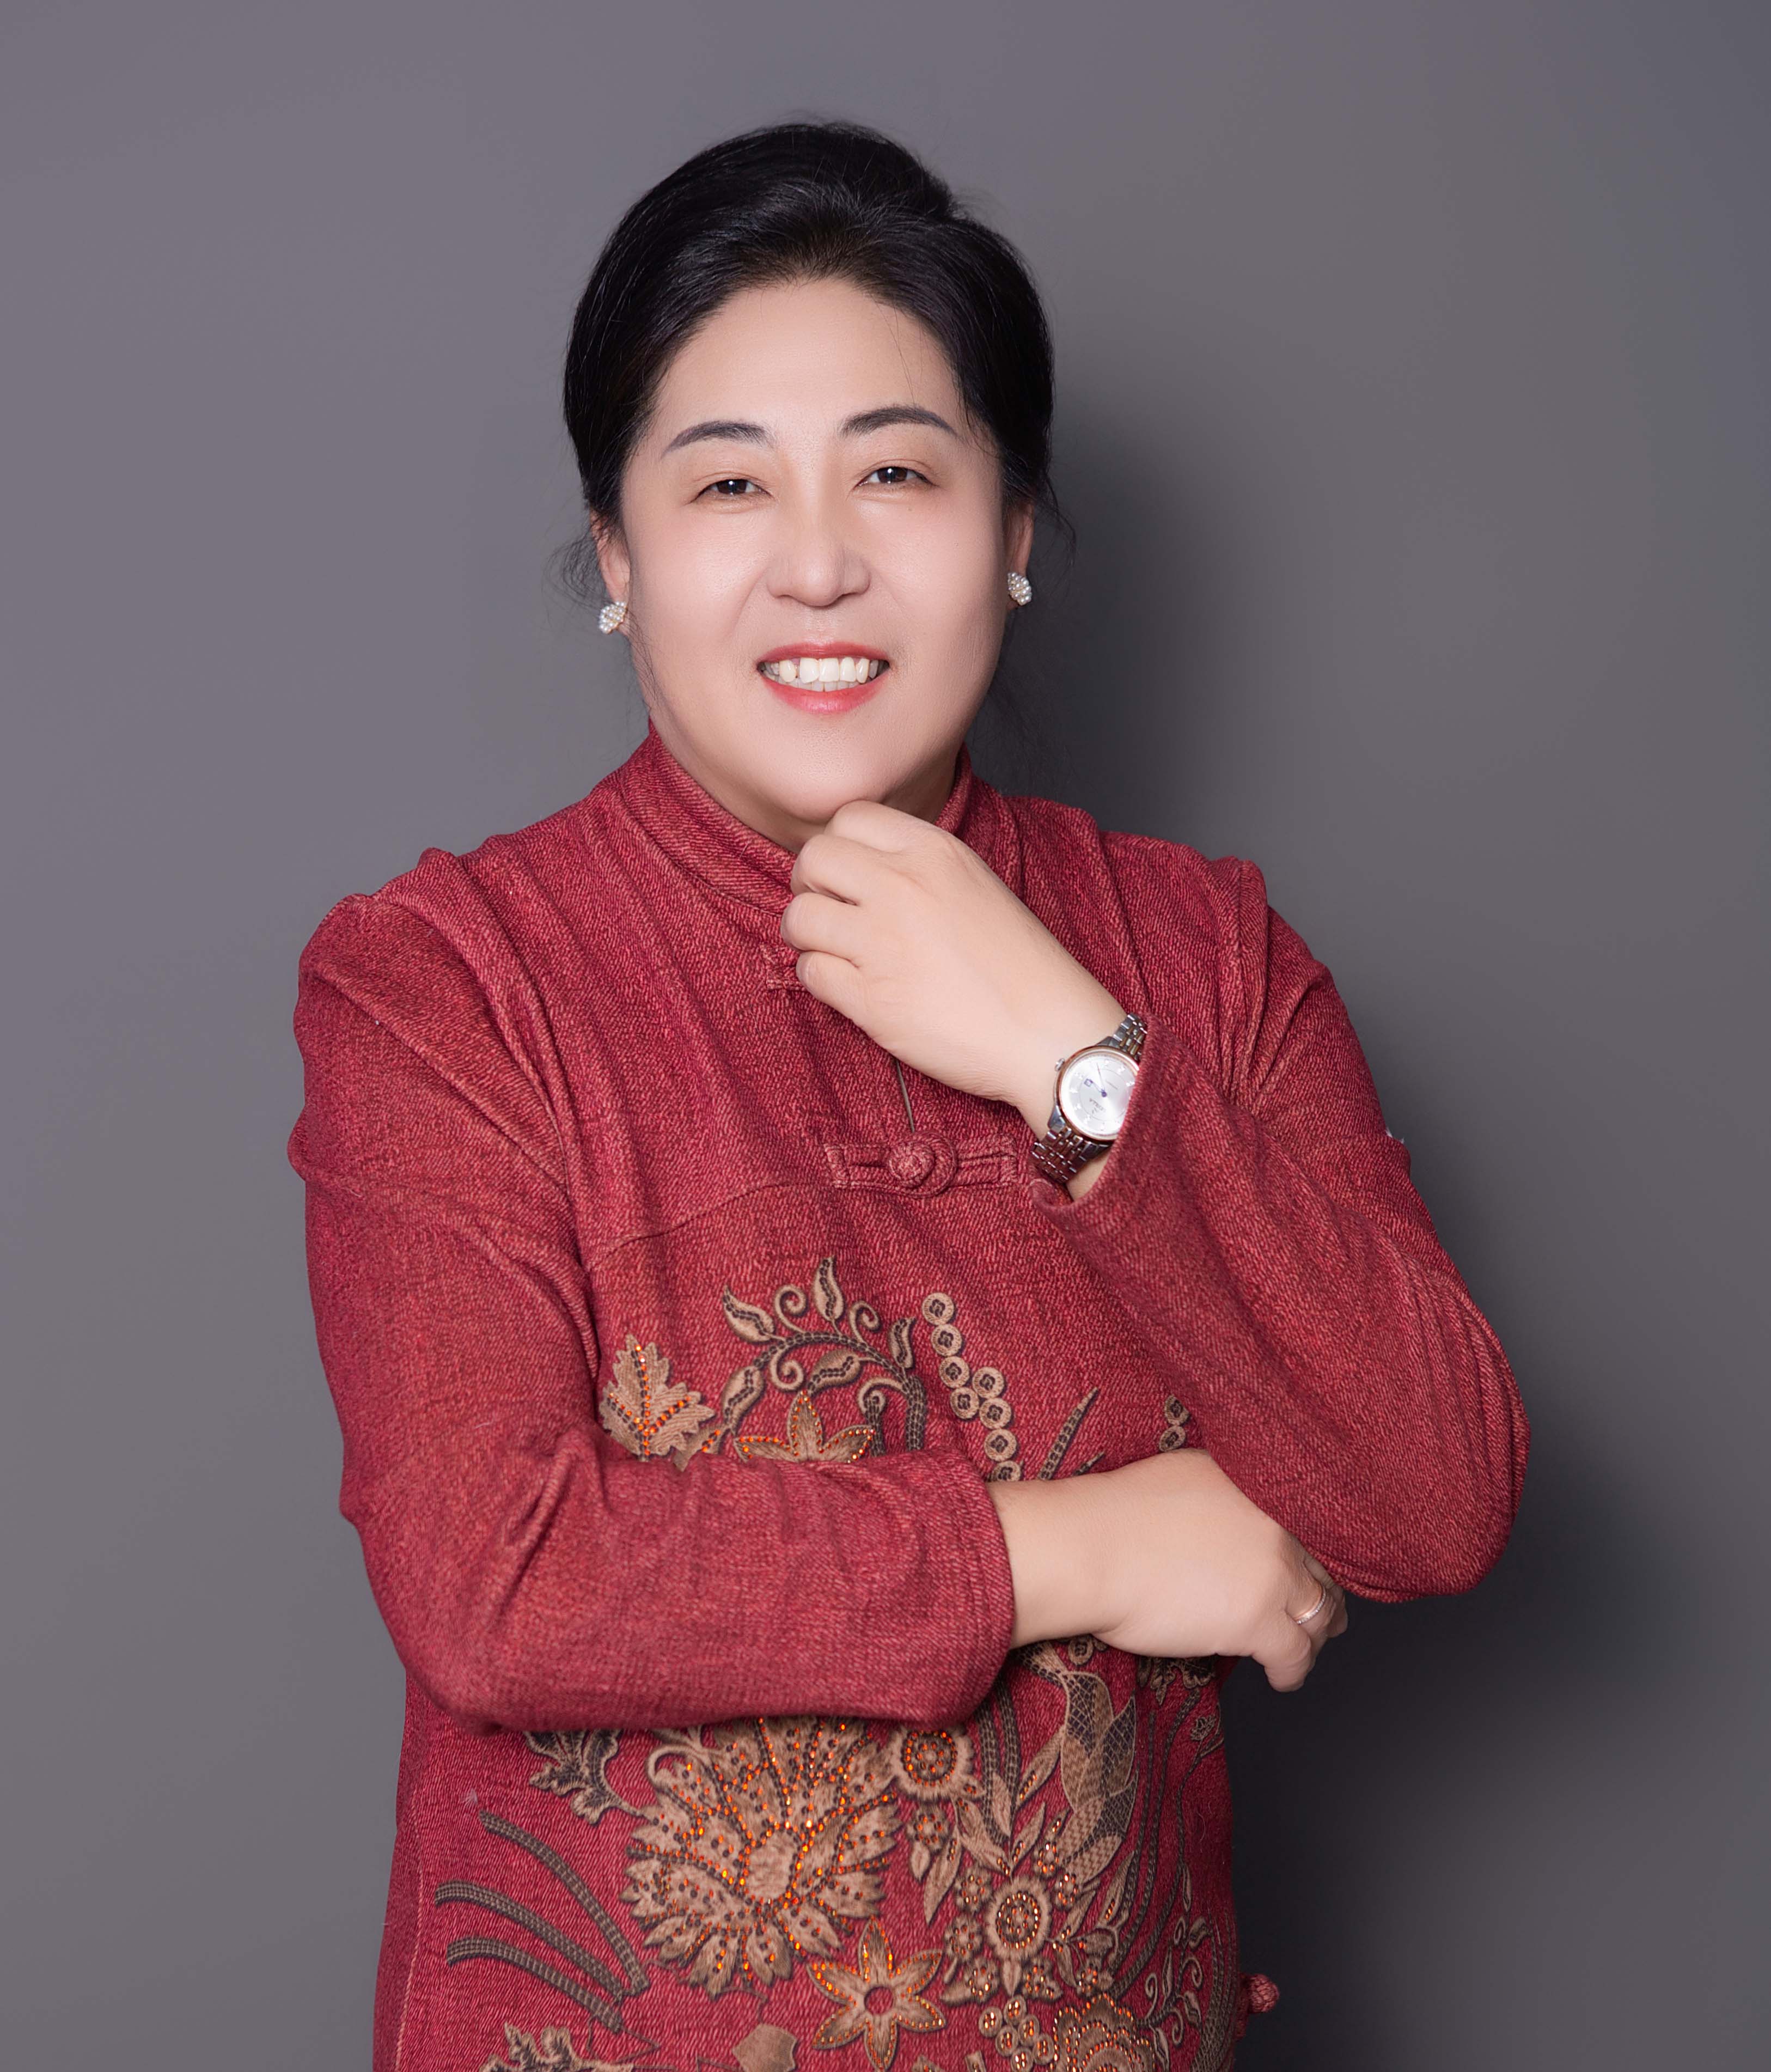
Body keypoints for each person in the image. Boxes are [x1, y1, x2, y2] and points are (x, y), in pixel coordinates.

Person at [289, 120, 1528, 2072]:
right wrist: (1091, 1548)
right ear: (617, 557)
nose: (817, 562)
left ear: (1014, 528)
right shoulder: (453, 979)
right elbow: (501, 1581)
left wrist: (1075, 1062)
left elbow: (1432, 1494)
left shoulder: (1200, 955)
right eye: (726, 482)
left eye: (895, 470)